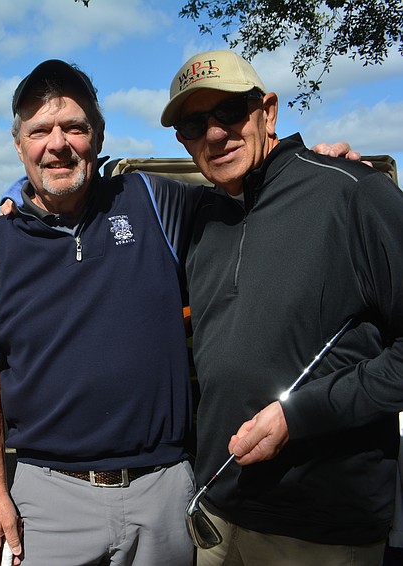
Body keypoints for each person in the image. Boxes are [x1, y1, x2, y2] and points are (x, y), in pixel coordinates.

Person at [161, 49, 403, 565]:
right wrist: (22, 193)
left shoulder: (351, 193)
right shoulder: (204, 216)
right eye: (193, 124)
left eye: (229, 112)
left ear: (267, 111)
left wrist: (302, 415)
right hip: (220, 519)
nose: (215, 134)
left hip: (321, 531)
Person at [0, 60, 203, 566]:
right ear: (18, 145)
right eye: (39, 131)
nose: (58, 143)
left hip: (163, 491)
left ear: (97, 136)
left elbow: (244, 201)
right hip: (46, 501)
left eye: (74, 127)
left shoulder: (152, 201)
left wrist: (309, 164)